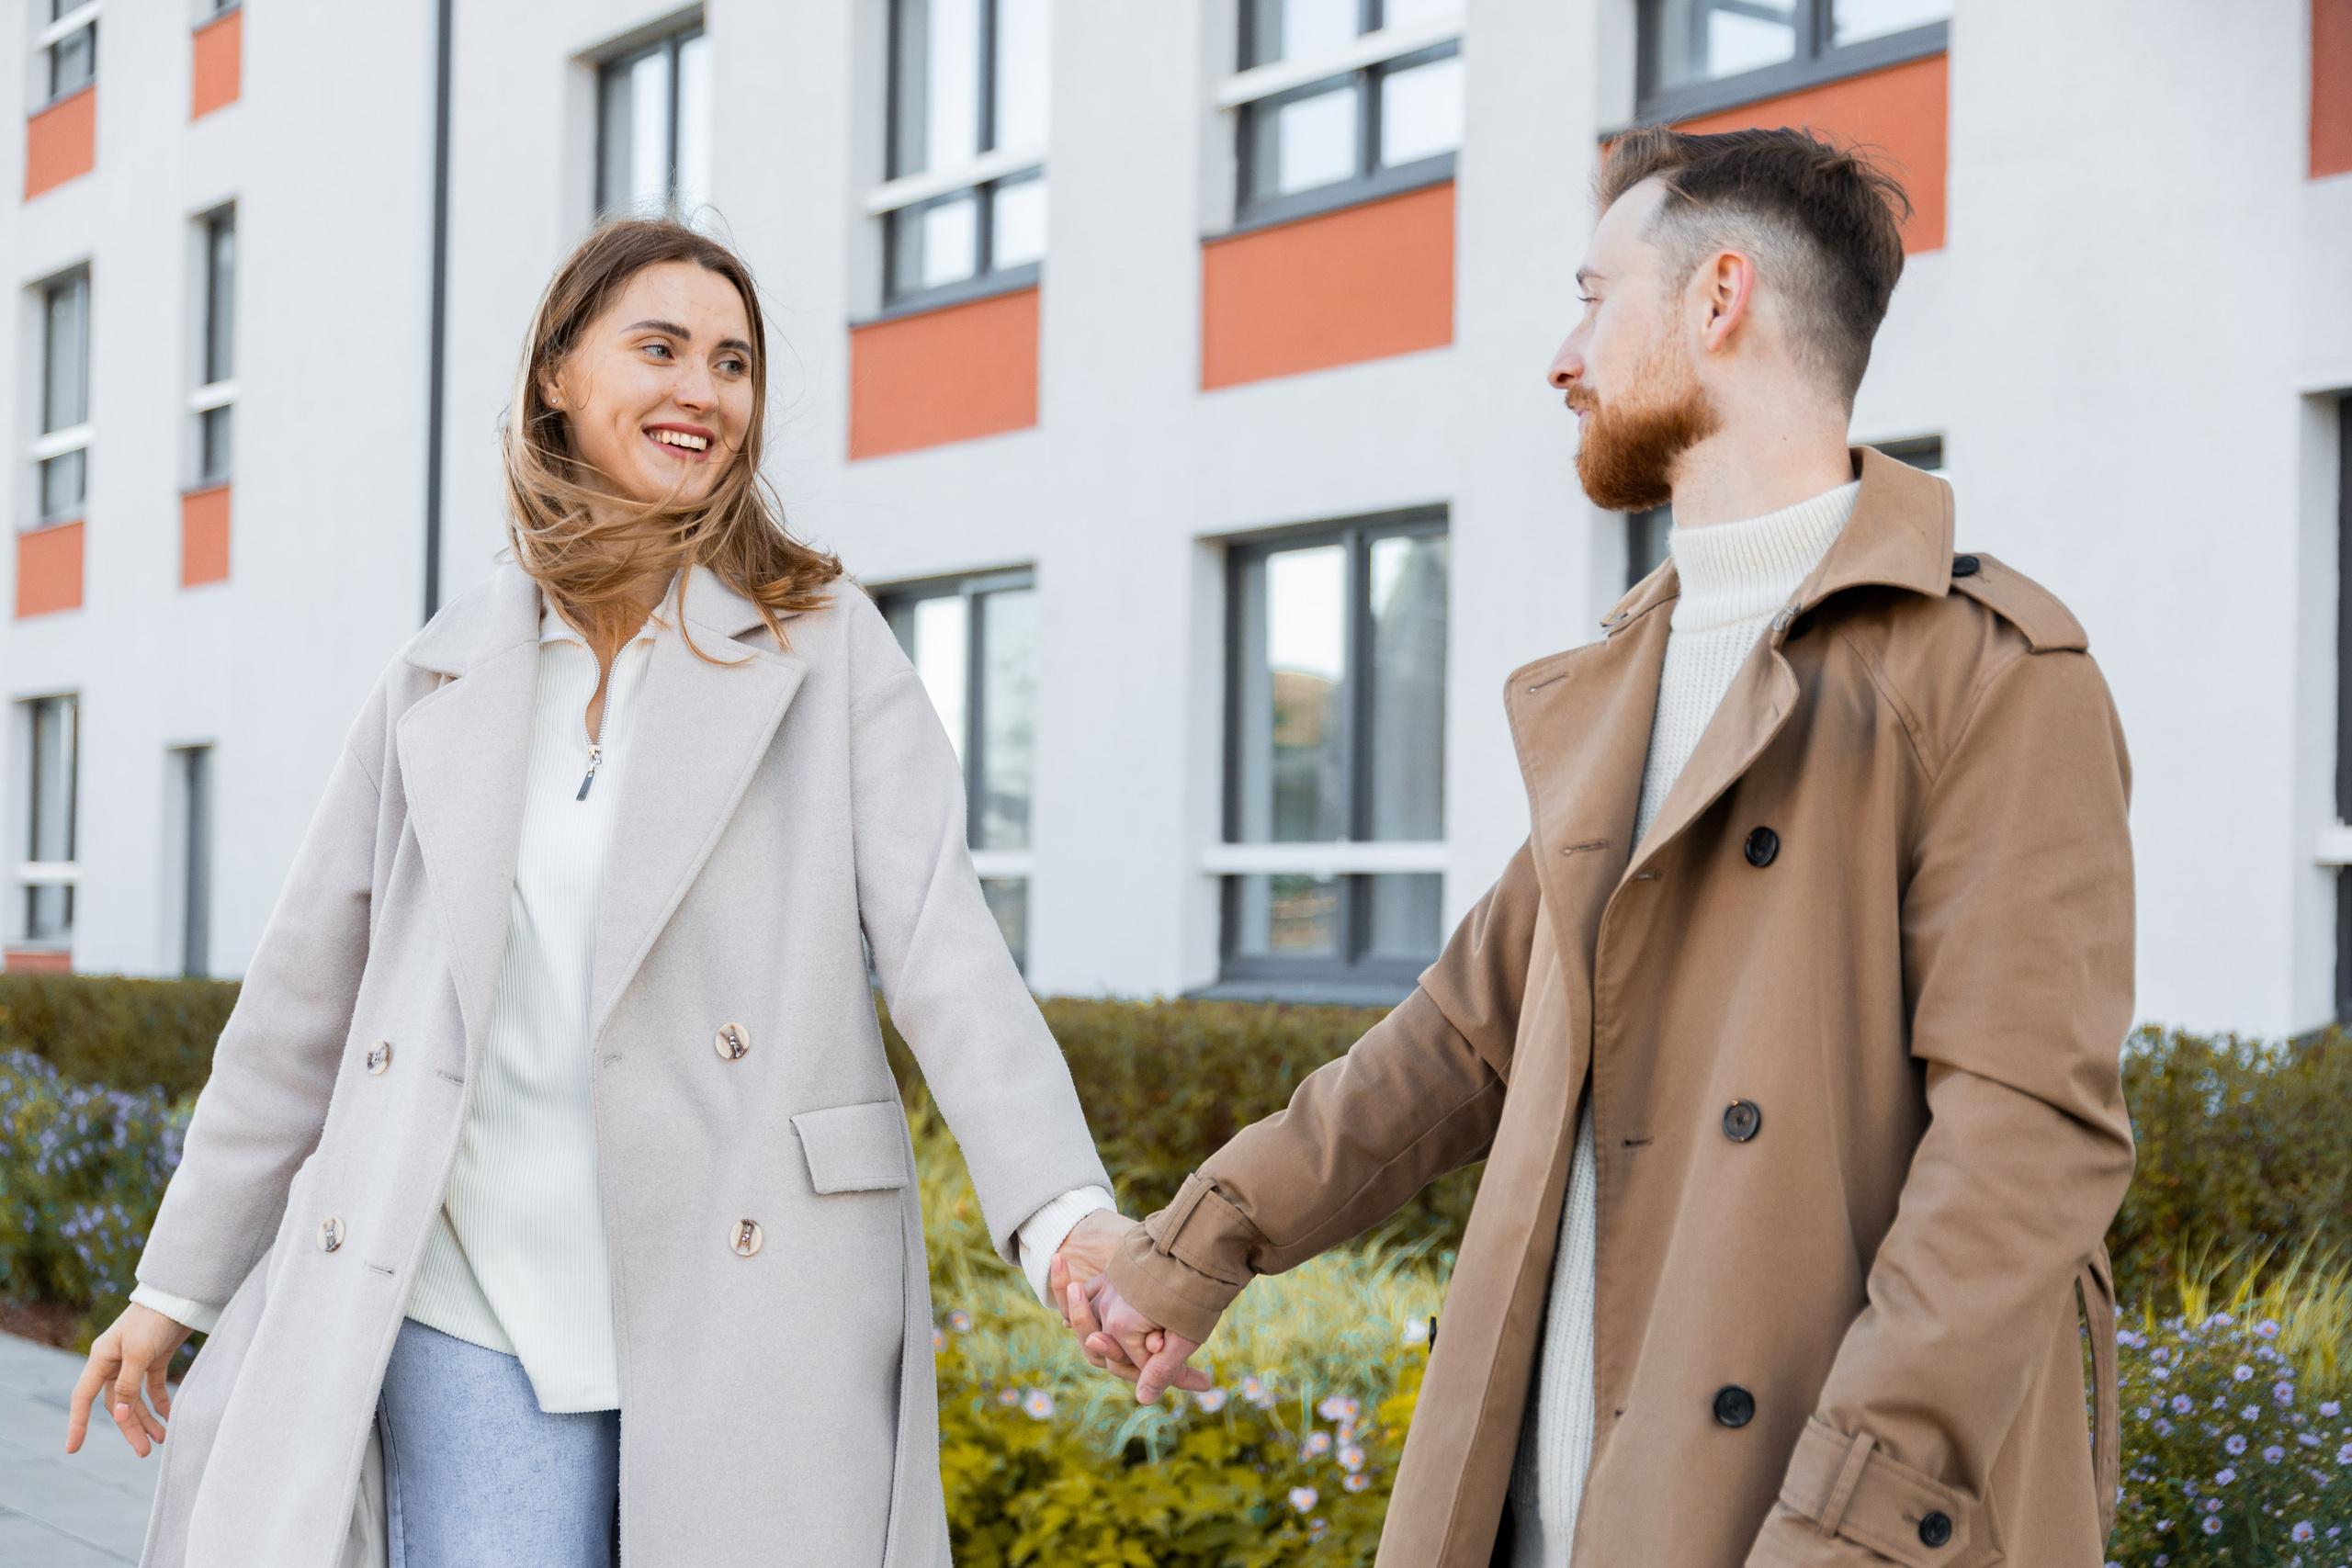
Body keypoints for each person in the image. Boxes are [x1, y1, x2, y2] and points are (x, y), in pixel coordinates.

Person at [1069, 127, 2137, 1567]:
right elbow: (1453, 1042)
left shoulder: (1990, 675)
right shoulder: (1631, 672)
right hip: (1540, 1512)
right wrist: (1195, 1248)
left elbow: (2023, 1154)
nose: (1562, 355)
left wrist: (1852, 1522)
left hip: (1795, 1526)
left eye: (1592, 295)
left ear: (1720, 300)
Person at [63, 219, 1127, 1568]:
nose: (706, 390)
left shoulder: (825, 646)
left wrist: (1064, 1218)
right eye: (662, 347)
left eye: (734, 363)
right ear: (559, 374)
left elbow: (944, 951)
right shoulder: (438, 677)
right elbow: (300, 1006)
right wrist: (175, 1287)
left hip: (748, 1281)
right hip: (469, 1298)